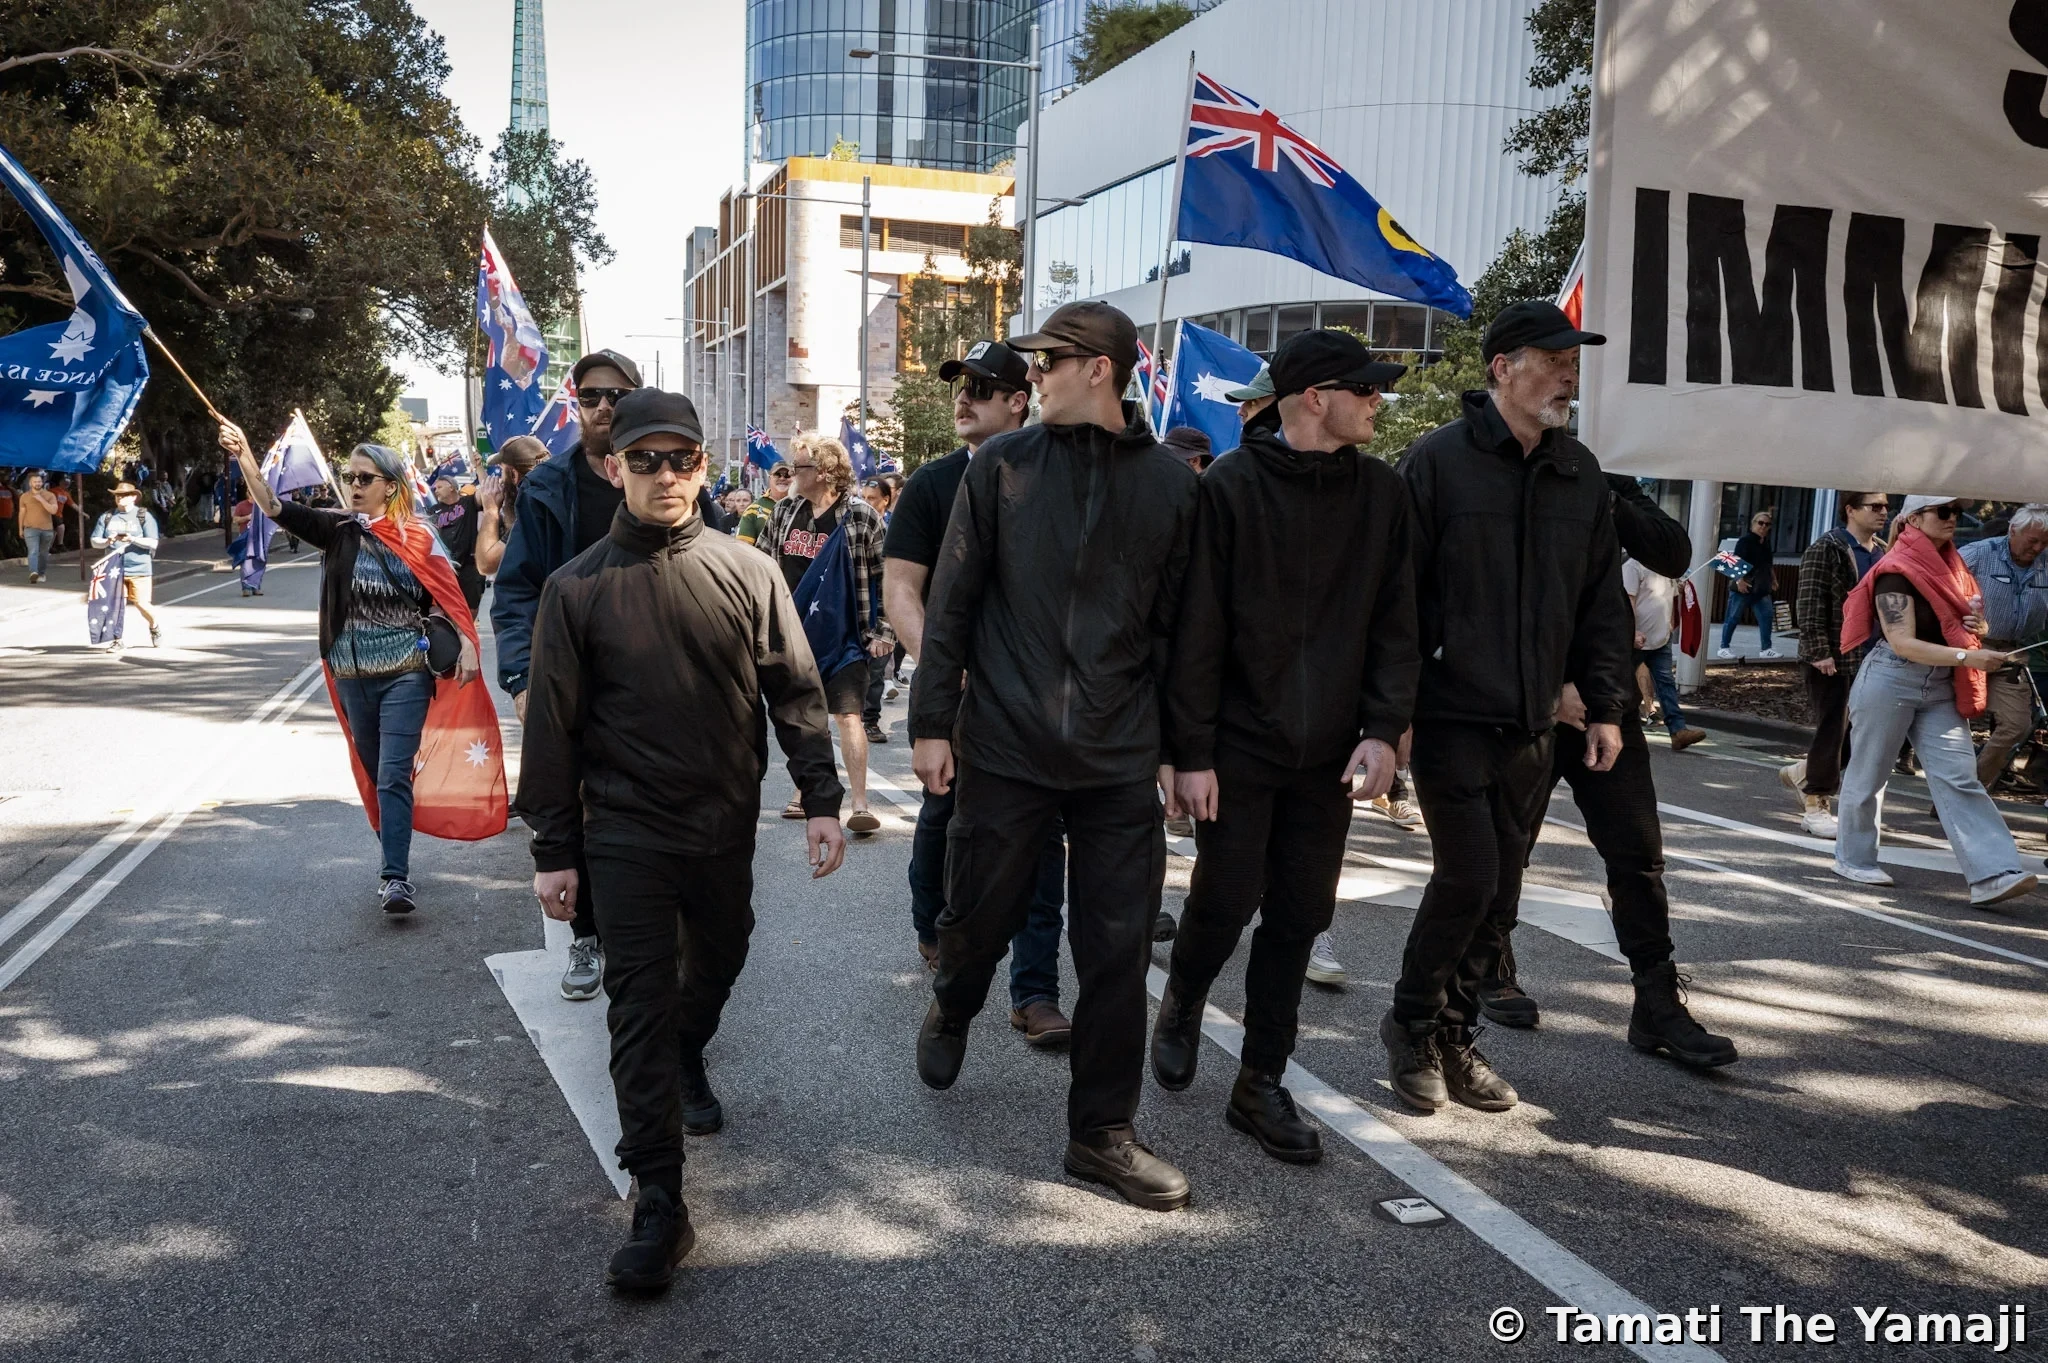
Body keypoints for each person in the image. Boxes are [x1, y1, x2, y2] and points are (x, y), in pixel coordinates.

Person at [517, 388, 846, 1295]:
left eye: (682, 459)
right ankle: (659, 1198)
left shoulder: (750, 571)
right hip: (621, 829)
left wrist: (821, 795)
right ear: (612, 465)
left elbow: (797, 689)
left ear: (705, 466)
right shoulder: (574, 586)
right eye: (645, 459)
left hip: (721, 821)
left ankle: (686, 1046)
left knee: (723, 951)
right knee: (637, 1002)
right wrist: (553, 847)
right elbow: (550, 727)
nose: (666, 475)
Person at [910, 300, 1199, 1211]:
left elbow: (1186, 634)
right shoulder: (1000, 466)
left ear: (1101, 369)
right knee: (981, 916)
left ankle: (1101, 1133)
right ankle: (955, 999)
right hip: (1005, 747)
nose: (1033, 376)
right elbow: (950, 604)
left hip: (1118, 760)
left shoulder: (1171, 485)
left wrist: (1186, 754)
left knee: (1115, 951)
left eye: (1049, 362)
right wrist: (929, 724)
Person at [1154, 330, 1416, 1164]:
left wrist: (1382, 729)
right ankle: (1184, 995)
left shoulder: (1382, 493)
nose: (1378, 401)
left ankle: (1260, 1081)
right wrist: (1187, 750)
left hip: (1331, 751)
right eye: (1365, 388)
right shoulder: (1229, 486)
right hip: (1237, 745)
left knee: (1301, 916)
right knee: (1226, 899)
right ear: (1314, 397)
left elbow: (1397, 622)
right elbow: (1193, 628)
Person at [1384, 299, 1634, 1115]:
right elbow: (1398, 600)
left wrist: (1605, 705)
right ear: (1502, 368)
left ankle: (1455, 1037)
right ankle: (1411, 1026)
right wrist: (1391, 716)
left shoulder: (1579, 472)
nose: (1568, 372)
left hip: (1535, 724)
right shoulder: (1437, 462)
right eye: (1552, 357)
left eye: (1573, 360)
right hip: (1452, 714)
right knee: (1469, 876)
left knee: (1499, 901)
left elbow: (1601, 603)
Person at [1481, 475, 1738, 1069]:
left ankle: (1656, 1000)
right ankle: (1490, 964)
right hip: (1525, 705)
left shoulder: (1608, 485)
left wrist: (1608, 494)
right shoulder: (1503, 475)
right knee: (1507, 842)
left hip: (1606, 703)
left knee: (1637, 853)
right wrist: (1548, 691)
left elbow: (1673, 552)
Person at [494, 349, 724, 1003]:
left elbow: (723, 559)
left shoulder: (673, 475)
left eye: (616, 395)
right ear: (576, 401)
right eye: (590, 395)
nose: (603, 406)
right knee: (584, 817)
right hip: (577, 687)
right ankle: (589, 935)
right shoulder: (546, 487)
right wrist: (521, 679)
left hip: (668, 690)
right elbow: (517, 593)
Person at [882, 339, 1072, 1046]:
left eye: (981, 387)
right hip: (962, 695)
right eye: (959, 385)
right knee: (948, 820)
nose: (962, 399)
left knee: (1042, 837)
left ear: (1019, 399)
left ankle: (1036, 991)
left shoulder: (1057, 477)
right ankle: (935, 930)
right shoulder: (934, 485)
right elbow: (902, 589)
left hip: (1040, 700)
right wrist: (946, 671)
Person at [219, 422, 488, 915]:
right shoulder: (337, 529)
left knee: (392, 774)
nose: (356, 485)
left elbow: (454, 596)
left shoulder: (420, 538)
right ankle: (394, 851)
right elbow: (273, 506)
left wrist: (468, 644)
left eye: (366, 478)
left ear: (391, 485)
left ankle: (395, 877)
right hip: (351, 678)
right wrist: (245, 458)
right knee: (373, 769)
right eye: (351, 476)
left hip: (406, 672)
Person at [1832, 496, 2037, 906]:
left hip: (1941, 682)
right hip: (1891, 677)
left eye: (1956, 513)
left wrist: (1978, 627)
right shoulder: (1896, 571)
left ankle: (1994, 872)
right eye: (1943, 511)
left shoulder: (1954, 569)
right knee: (1869, 773)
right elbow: (1903, 642)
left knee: (1960, 776)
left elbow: (1964, 626)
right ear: (1915, 519)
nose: (1953, 519)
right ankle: (1852, 857)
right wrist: (1970, 655)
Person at [757, 431, 893, 834]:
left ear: (825, 471)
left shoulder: (860, 516)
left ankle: (860, 803)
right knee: (804, 718)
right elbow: (760, 564)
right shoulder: (783, 513)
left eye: (799, 466)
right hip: (791, 632)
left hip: (846, 636)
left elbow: (886, 576)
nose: (791, 472)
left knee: (848, 715)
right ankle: (807, 792)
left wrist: (883, 630)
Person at [1785, 491, 1890, 834]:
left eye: (1886, 506)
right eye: (1875, 506)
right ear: (1851, 510)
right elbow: (1810, 601)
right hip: (1833, 655)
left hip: (1872, 654)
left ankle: (1804, 773)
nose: (1883, 512)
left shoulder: (1883, 550)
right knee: (1833, 727)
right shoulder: (1827, 547)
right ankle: (1815, 800)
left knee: (1860, 734)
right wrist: (1819, 651)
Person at [1959, 504, 2048, 792]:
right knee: (1950, 720)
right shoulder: (1979, 553)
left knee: (2017, 725)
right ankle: (1953, 791)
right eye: (2032, 540)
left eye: (2045, 542)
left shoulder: (2046, 562)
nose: (2037, 548)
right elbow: (1936, 586)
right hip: (1969, 647)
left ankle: (1971, 791)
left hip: (2010, 653)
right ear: (2012, 530)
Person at [1623, 550, 1706, 750]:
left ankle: (1678, 730)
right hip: (1635, 639)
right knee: (1622, 683)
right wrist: (1631, 632)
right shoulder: (1633, 566)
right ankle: (1615, 727)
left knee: (1666, 683)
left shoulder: (1668, 570)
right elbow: (1628, 601)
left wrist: (1668, 625)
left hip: (1660, 639)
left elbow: (1670, 599)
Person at [90, 482, 162, 648]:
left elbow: (153, 543)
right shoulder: (107, 517)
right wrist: (108, 541)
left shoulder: (144, 516)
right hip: (114, 569)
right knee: (116, 604)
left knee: (142, 604)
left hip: (139, 568)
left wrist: (133, 539)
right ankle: (117, 639)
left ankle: (154, 626)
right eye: (117, 495)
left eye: (124, 495)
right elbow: (95, 541)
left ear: (134, 497)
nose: (120, 498)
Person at [858, 474, 902, 744]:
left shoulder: (897, 524)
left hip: (886, 608)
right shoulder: (854, 522)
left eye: (872, 499)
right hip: (860, 607)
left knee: (876, 668)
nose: (866, 503)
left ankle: (870, 721)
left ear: (886, 500)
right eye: (863, 498)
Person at [474, 435, 546, 579]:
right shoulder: (554, 492)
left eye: (502, 471)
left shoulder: (533, 509)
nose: (500, 479)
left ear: (513, 475)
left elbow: (486, 564)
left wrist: (490, 511)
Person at [1717, 509, 1780, 657]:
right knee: (1733, 616)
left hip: (1761, 586)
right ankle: (1723, 647)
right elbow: (1735, 562)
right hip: (1745, 584)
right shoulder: (1745, 541)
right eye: (1761, 523)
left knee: (1767, 616)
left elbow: (1768, 564)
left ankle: (1766, 648)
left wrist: (1774, 580)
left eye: (1767, 524)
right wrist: (1739, 581)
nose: (1764, 527)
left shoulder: (1766, 543)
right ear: (1753, 524)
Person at [430, 474, 487, 613]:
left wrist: (478, 467)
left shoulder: (468, 503)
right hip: (444, 567)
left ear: (451, 487)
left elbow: (486, 491)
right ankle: (454, 632)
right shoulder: (433, 511)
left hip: (469, 565)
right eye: (435, 488)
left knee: (471, 606)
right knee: (444, 607)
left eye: (439, 487)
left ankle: (468, 629)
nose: (436, 490)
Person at [735, 462, 793, 546]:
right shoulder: (753, 510)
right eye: (777, 474)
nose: (782, 478)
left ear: (794, 479)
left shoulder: (803, 506)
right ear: (770, 478)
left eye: (787, 475)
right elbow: (744, 548)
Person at [18, 470, 59, 583]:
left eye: (39, 482)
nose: (37, 484)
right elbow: (22, 513)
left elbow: (54, 510)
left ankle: (41, 573)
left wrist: (41, 500)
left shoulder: (49, 495)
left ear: (42, 482)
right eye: (35, 482)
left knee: (43, 553)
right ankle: (33, 572)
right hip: (30, 529)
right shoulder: (24, 497)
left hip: (47, 529)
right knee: (33, 551)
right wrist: (20, 528)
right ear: (30, 483)